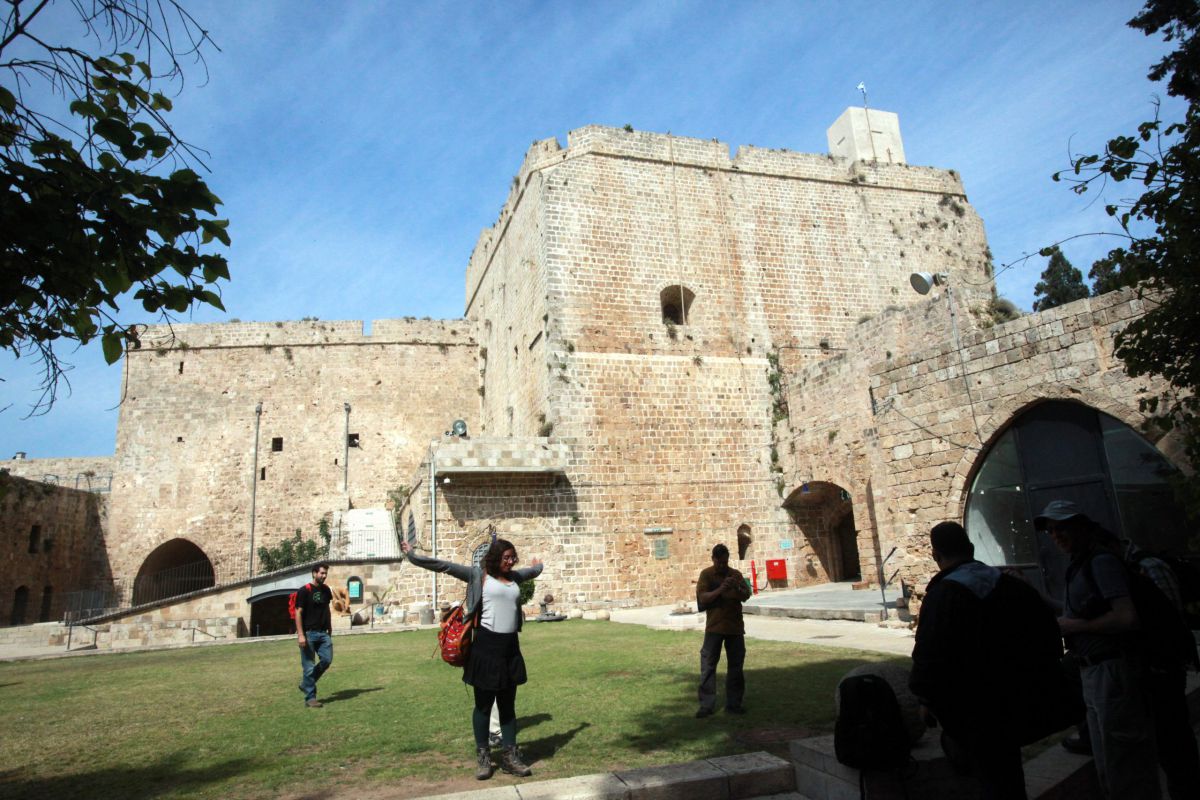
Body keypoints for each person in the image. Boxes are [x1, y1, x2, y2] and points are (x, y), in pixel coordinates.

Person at [910, 522, 1066, 799]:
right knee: (1007, 772)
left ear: (936, 555)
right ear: (970, 548)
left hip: (974, 706)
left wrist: (925, 699)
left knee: (989, 777)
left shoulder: (944, 594)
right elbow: (1048, 636)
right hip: (1016, 698)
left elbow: (930, 654)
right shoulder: (1009, 585)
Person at [1036, 500, 1160, 799]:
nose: (1056, 535)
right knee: (1108, 756)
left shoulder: (1100, 562)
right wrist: (1036, 597)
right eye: (1051, 530)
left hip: (1111, 669)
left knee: (1124, 758)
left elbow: (1126, 617)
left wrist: (1074, 627)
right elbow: (1072, 615)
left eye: (1061, 527)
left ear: (1081, 525)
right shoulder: (1078, 565)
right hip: (1092, 670)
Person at [402, 536, 543, 780]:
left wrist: (538, 565)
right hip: (486, 647)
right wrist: (414, 556)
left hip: (510, 647)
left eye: (513, 558)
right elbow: (443, 565)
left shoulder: (514, 578)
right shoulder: (479, 575)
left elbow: (531, 572)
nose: (510, 562)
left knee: (508, 706)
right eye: (506, 557)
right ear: (495, 557)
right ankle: (484, 757)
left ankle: (510, 756)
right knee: (483, 705)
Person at [695, 543, 751, 718]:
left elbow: (746, 595)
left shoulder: (735, 574)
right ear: (713, 559)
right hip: (715, 626)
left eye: (725, 562)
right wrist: (721, 589)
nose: (722, 565)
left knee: (736, 667)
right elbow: (702, 597)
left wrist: (736, 587)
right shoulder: (706, 575)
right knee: (708, 666)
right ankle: (706, 705)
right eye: (719, 562)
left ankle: (734, 704)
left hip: (734, 627)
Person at [295, 562, 334, 708]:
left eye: (325, 574)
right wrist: (300, 634)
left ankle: (306, 683)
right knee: (309, 666)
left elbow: (327, 609)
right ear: (314, 573)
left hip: (323, 634)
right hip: (308, 633)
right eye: (321, 573)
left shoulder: (326, 591)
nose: (324, 576)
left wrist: (329, 625)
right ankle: (310, 698)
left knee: (327, 660)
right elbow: (298, 612)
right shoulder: (304, 591)